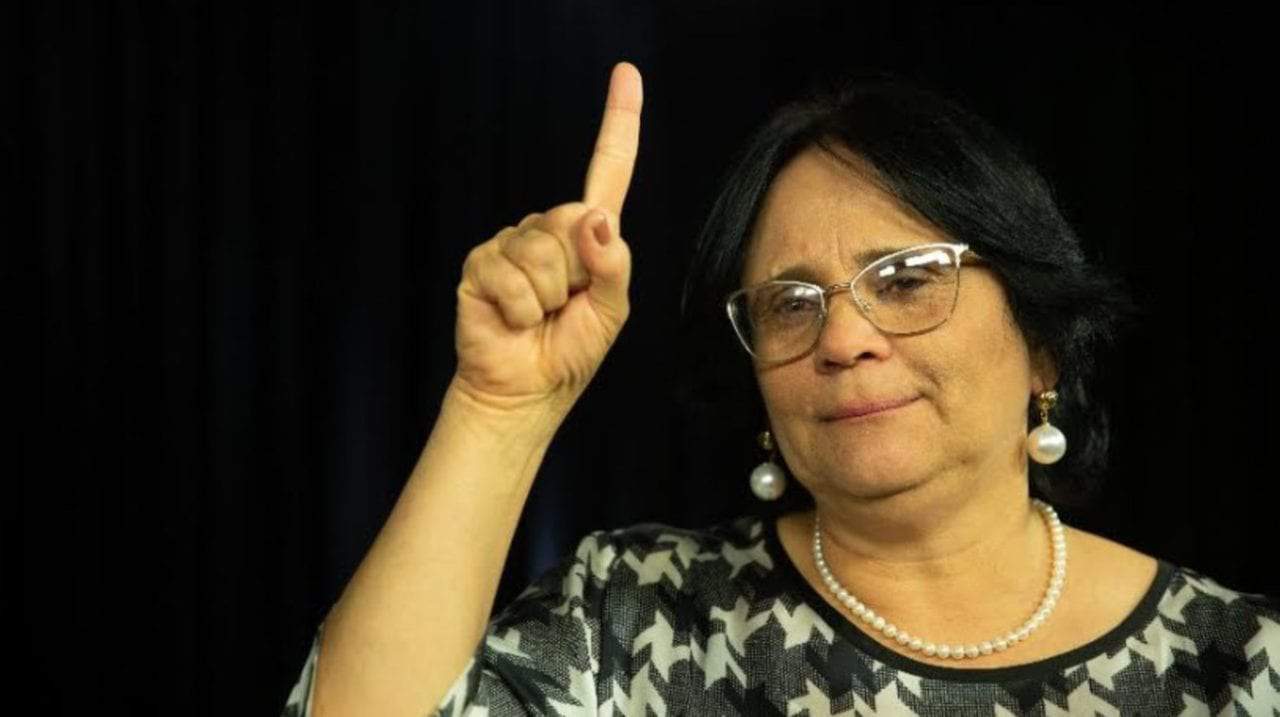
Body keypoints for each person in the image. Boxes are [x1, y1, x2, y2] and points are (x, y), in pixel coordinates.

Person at [281, 62, 1280, 716]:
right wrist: (497, 409)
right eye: (789, 303)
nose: (842, 338)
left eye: (905, 279)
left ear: (1043, 347)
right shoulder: (635, 617)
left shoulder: (1240, 662)